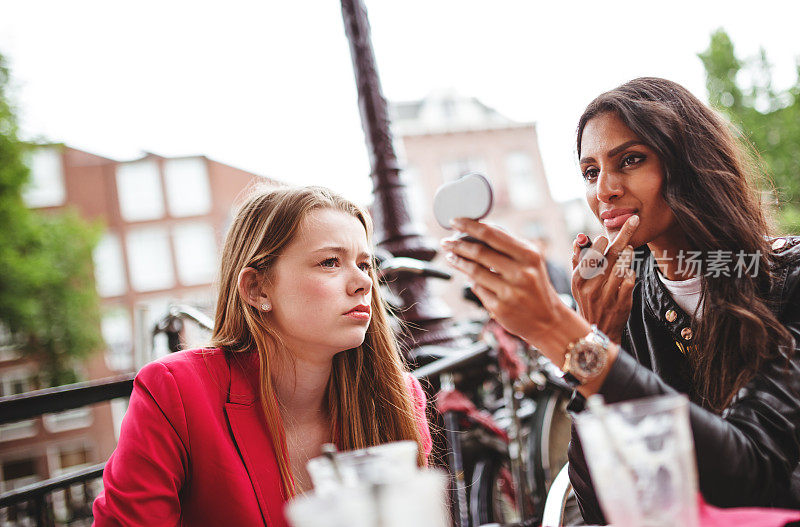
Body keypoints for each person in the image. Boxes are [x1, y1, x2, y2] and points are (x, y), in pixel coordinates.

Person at [441, 77, 800, 523]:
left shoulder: (787, 279)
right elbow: (601, 509)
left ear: (690, 164)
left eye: (629, 160)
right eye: (590, 172)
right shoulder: (625, 298)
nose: (604, 190)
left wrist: (562, 332)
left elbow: (751, 475)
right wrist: (600, 335)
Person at [92, 186, 432, 527]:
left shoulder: (397, 397)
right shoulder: (175, 392)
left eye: (364, 264)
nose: (364, 282)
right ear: (257, 288)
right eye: (330, 262)